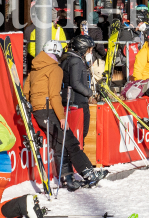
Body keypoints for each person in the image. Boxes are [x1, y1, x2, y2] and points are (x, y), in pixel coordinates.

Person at [25, 40, 107, 191]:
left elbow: (26, 90)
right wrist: (62, 117)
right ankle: (88, 172)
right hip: (49, 109)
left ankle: (67, 178)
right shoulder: (54, 69)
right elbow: (54, 95)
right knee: (71, 142)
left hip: (38, 111)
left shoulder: (36, 67)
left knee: (59, 145)